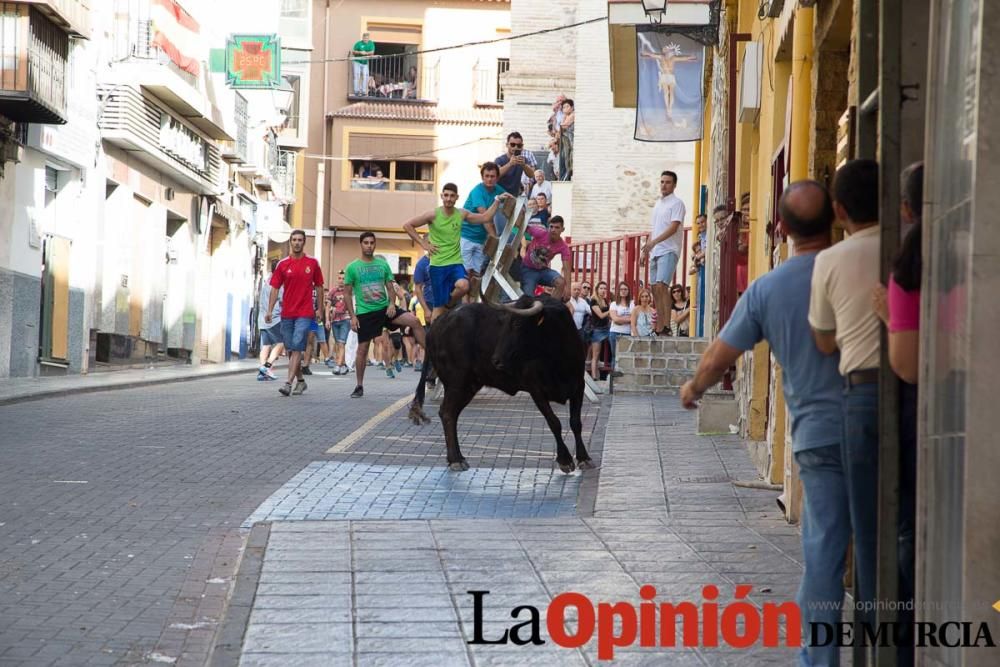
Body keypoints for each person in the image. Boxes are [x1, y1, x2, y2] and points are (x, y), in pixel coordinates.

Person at [680, 180, 848, 667]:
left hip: (817, 435)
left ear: (782, 230)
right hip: (876, 425)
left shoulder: (768, 289)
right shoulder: (861, 269)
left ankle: (819, 661)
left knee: (823, 552)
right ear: (833, 218)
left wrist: (694, 389)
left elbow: (718, 356)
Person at [808, 159, 882, 630]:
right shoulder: (906, 249)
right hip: (920, 392)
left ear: (839, 210)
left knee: (868, 522)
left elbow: (824, 341)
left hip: (863, 395)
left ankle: (879, 632)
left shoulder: (830, 260)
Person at [871, 162, 922, 666]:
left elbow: (907, 365)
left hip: (923, 417)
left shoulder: (910, 268)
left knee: (906, 532)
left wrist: (888, 314)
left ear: (906, 210)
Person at [403, 182, 513, 320]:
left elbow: (485, 217)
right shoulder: (432, 214)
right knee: (438, 310)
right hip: (438, 266)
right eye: (446, 195)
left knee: (464, 285)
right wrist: (423, 243)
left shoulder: (461, 213)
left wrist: (497, 199)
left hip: (455, 263)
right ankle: (433, 339)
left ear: (457, 197)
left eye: (452, 196)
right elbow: (408, 225)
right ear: (442, 196)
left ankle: (448, 304)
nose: (449, 198)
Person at [343, 233, 426, 398]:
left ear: (375, 245)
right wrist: (352, 316)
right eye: (366, 243)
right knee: (363, 349)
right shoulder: (352, 267)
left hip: (385, 309)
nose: (369, 245)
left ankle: (433, 356)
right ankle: (359, 386)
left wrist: (390, 304)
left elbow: (390, 287)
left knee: (415, 321)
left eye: (372, 243)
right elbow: (346, 294)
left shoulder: (382, 265)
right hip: (365, 313)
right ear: (361, 244)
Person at [265, 229, 324, 397]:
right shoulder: (283, 264)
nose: (297, 242)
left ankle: (288, 383)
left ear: (304, 242)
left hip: (305, 313)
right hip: (287, 313)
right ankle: (301, 381)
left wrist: (320, 308)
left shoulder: (312, 263)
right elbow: (275, 288)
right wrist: (270, 310)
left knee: (297, 346)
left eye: (300, 240)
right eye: (294, 240)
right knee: (291, 349)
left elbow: (319, 287)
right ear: (290, 242)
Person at [641, 170, 686, 334]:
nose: (664, 185)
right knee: (654, 288)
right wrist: (646, 249)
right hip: (655, 251)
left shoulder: (677, 203)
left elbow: (674, 227)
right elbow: (654, 229)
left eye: (667, 182)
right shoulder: (658, 204)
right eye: (662, 182)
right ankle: (659, 326)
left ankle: (666, 325)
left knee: (662, 285)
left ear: (674, 185)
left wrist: (654, 242)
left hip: (669, 249)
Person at [457, 163, 506, 300]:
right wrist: (494, 238)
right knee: (466, 274)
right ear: (482, 177)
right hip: (466, 237)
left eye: (493, 176)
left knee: (477, 275)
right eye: (487, 176)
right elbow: (485, 218)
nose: (489, 179)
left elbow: (508, 198)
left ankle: (472, 304)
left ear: (497, 177)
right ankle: (464, 306)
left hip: (480, 240)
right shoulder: (477, 191)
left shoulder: (498, 189)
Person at [639, 41, 698, 120]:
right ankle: (668, 110)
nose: (666, 51)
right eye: (665, 50)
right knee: (667, 93)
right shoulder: (663, 57)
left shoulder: (672, 58)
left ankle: (669, 110)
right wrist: (645, 54)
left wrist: (691, 58)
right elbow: (652, 55)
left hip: (669, 76)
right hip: (665, 76)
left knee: (670, 93)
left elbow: (683, 58)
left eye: (667, 50)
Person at [520, 216, 572, 299]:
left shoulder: (563, 246)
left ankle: (550, 307)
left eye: (557, 227)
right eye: (551, 227)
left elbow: (567, 269)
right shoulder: (540, 233)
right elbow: (522, 226)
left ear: (563, 229)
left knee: (561, 282)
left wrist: (568, 289)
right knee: (528, 299)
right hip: (528, 270)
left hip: (543, 271)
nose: (553, 230)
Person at [257, 260, 284, 381]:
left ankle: (262, 372)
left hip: (262, 319)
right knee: (281, 342)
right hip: (274, 318)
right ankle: (267, 367)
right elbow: (282, 301)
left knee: (266, 346)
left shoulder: (266, 281)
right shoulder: (278, 284)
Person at [328, 271, 351, 375]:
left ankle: (337, 366)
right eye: (340, 278)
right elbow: (327, 306)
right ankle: (344, 365)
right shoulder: (333, 291)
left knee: (342, 343)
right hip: (334, 320)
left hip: (345, 319)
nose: (341, 280)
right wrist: (327, 320)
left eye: (343, 278)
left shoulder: (349, 291)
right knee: (338, 344)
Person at [588, 281, 612, 381]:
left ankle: (610, 373)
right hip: (597, 330)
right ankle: (594, 376)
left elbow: (608, 316)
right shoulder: (594, 300)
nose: (603, 290)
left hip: (606, 328)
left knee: (611, 350)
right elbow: (601, 315)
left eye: (604, 288)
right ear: (597, 289)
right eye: (601, 288)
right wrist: (611, 310)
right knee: (596, 354)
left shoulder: (605, 300)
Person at [608, 282, 633, 374]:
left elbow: (633, 319)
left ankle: (624, 376)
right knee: (615, 356)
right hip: (615, 333)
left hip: (628, 333)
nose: (623, 291)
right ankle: (614, 379)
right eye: (621, 289)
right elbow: (614, 319)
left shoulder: (632, 303)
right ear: (618, 291)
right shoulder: (614, 304)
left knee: (626, 356)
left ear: (628, 291)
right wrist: (627, 319)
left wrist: (620, 319)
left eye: (625, 289)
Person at [557, 99, 575, 181]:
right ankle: (566, 175)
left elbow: (563, 126)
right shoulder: (565, 116)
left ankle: (568, 175)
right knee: (565, 158)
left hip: (570, 140)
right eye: (564, 107)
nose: (565, 108)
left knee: (569, 158)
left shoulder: (573, 115)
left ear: (572, 107)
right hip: (565, 141)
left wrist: (560, 126)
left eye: (567, 106)